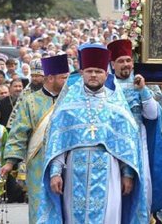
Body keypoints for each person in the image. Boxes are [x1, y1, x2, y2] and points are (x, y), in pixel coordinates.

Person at [37, 45, 149, 223]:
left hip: (109, 168)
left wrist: (127, 174)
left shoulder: (116, 105)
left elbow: (127, 143)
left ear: (106, 74)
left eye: (98, 71)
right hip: (74, 168)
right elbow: (58, 140)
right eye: (89, 71)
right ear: (82, 73)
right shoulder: (68, 104)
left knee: (109, 216)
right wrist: (55, 173)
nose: (93, 75)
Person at [106, 39, 162, 219]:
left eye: (128, 60)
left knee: (142, 189)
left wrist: (143, 91)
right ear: (112, 64)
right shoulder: (106, 86)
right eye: (121, 61)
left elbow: (153, 115)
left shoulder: (142, 83)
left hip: (139, 141)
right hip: (112, 145)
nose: (126, 65)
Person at [1, 54, 70, 222]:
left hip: (69, 163)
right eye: (64, 78)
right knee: (40, 209)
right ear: (51, 78)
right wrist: (10, 162)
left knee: (68, 209)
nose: (68, 82)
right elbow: (18, 133)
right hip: (39, 163)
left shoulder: (71, 99)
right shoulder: (30, 102)